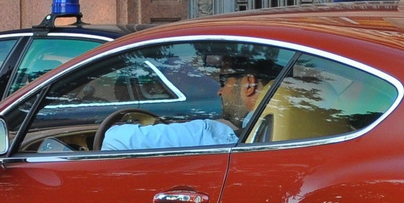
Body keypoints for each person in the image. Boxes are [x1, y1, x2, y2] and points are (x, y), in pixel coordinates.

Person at [99, 58, 276, 151]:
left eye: (223, 81)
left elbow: (116, 140)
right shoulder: (285, 132)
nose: (219, 91)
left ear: (249, 84)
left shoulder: (210, 136)